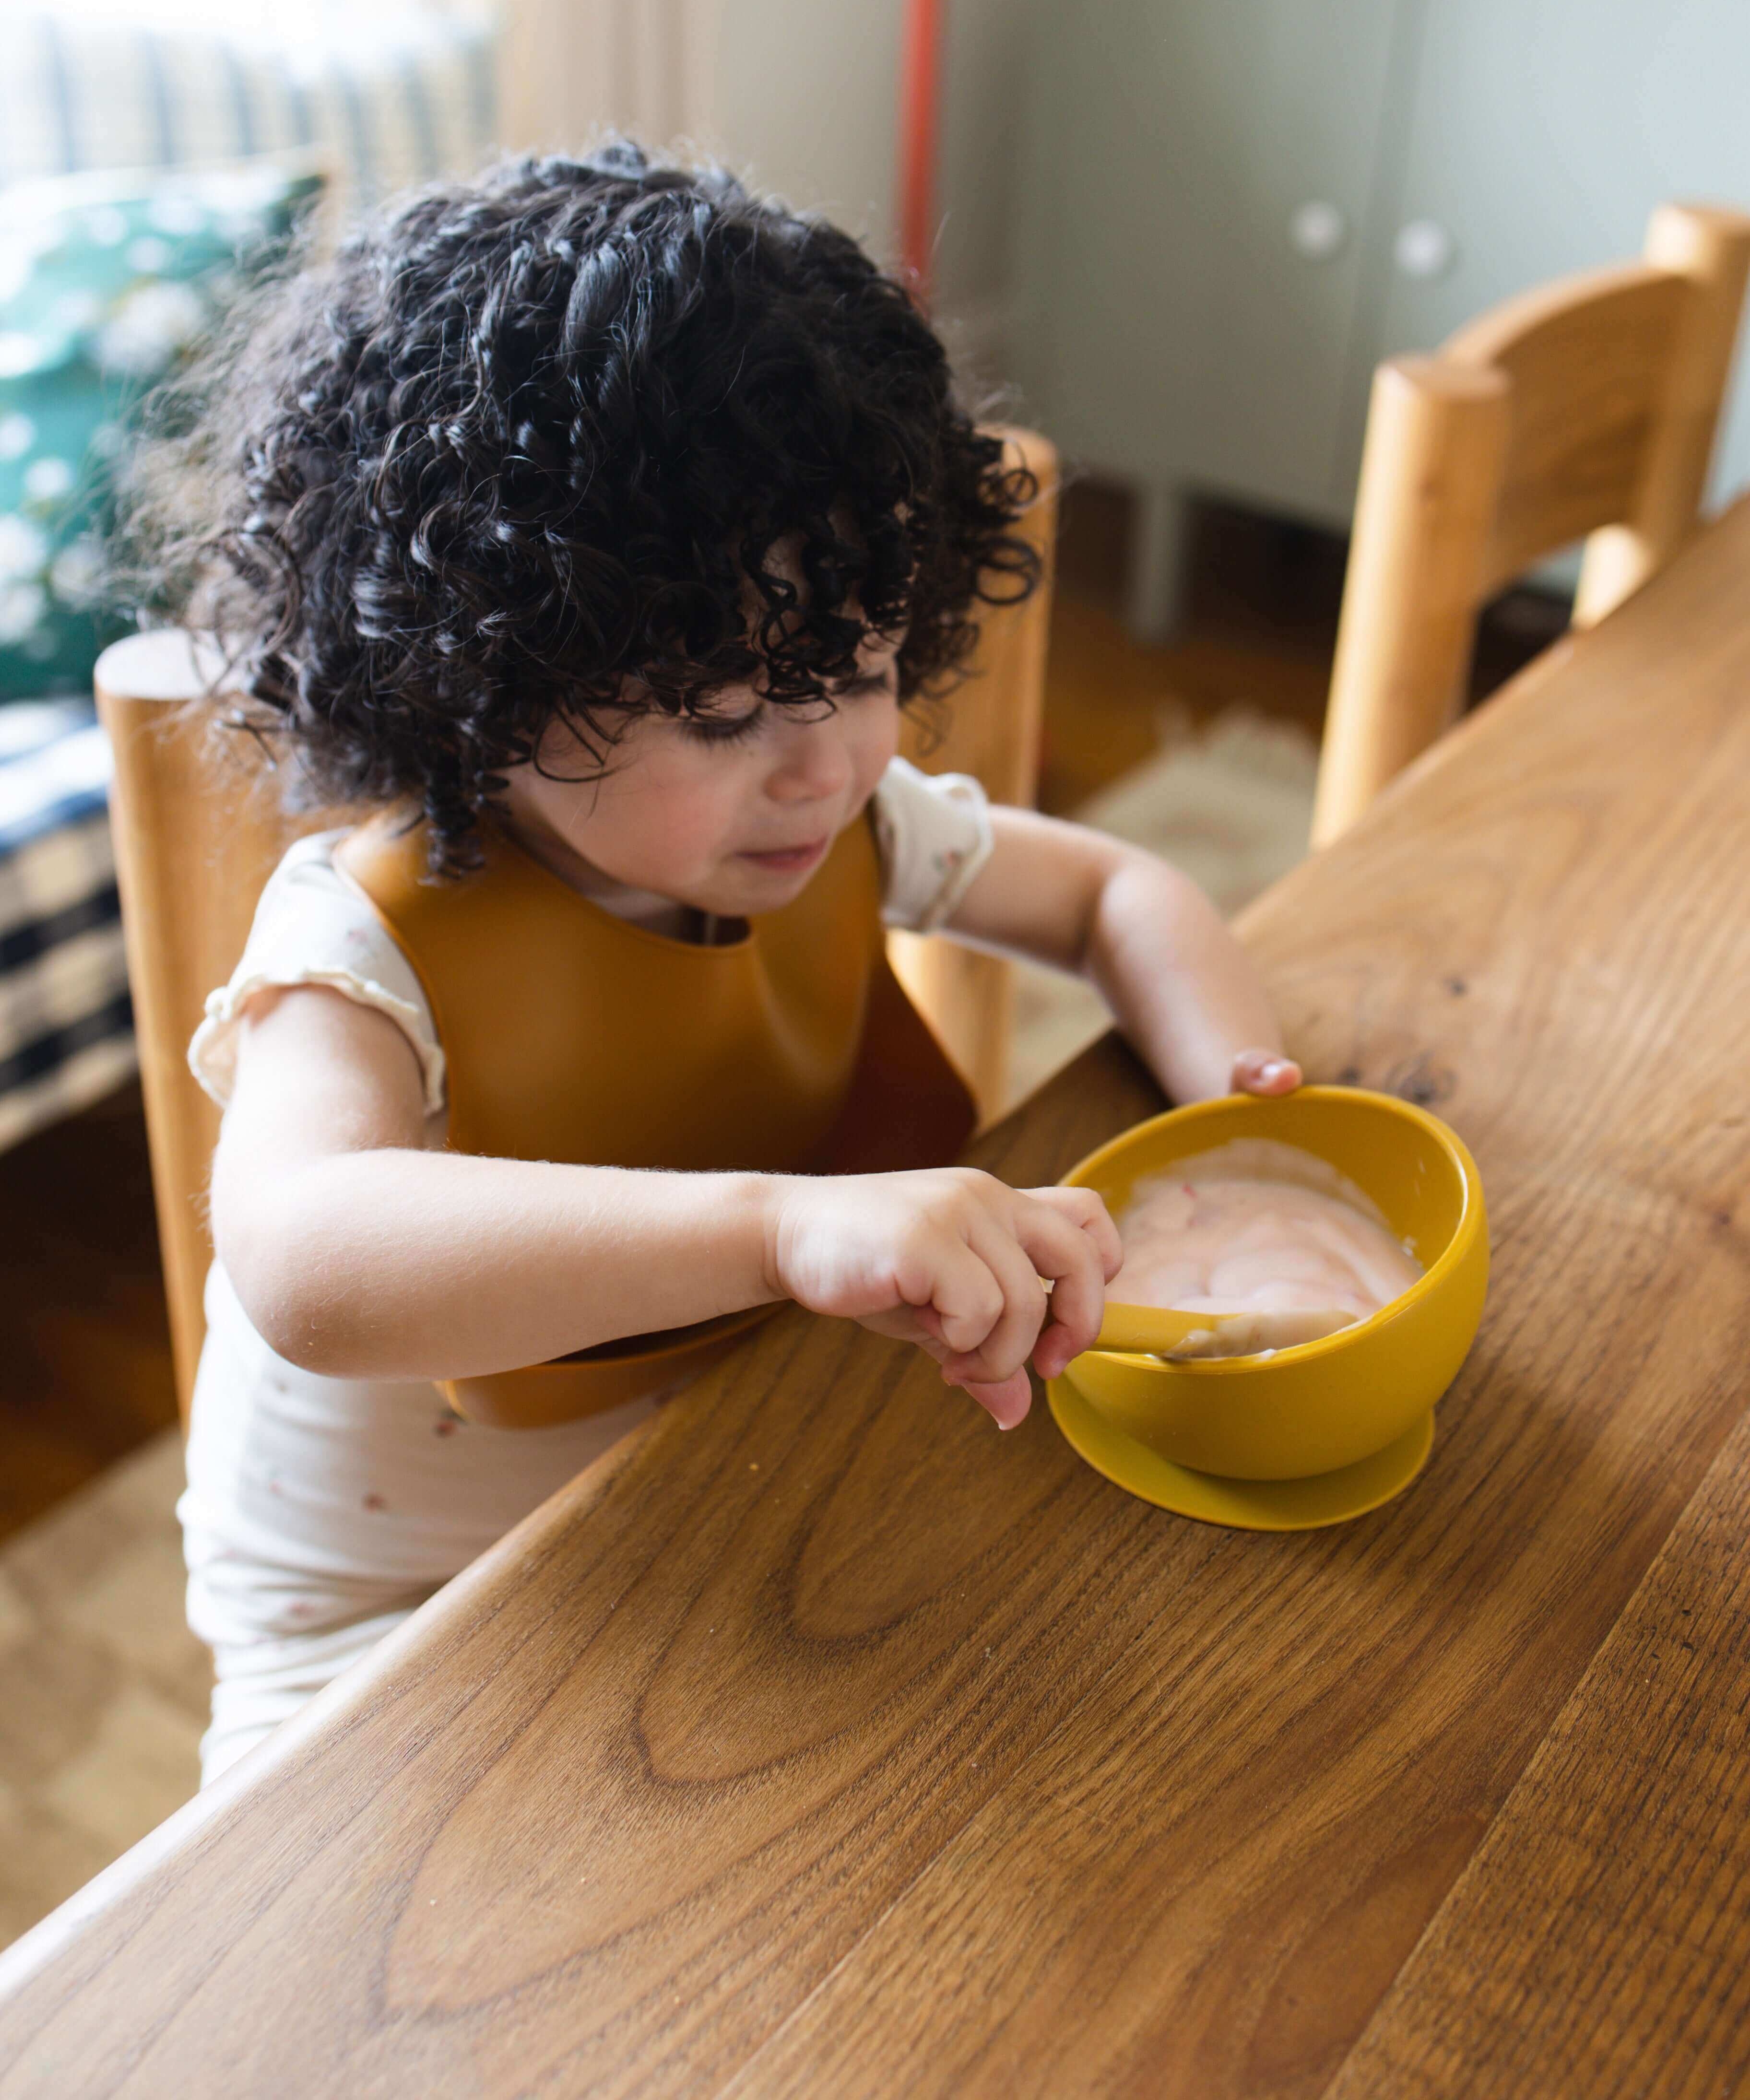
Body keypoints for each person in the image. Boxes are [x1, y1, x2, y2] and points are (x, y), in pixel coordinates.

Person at [143, 145, 1300, 1784]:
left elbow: (1117, 896)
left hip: (715, 1483)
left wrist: (1240, 1116)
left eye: (866, 665)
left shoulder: (839, 816)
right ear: (480, 673)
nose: (825, 768)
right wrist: (780, 1224)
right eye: (723, 714)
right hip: (383, 1619)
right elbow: (308, 1259)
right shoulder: (362, 945)